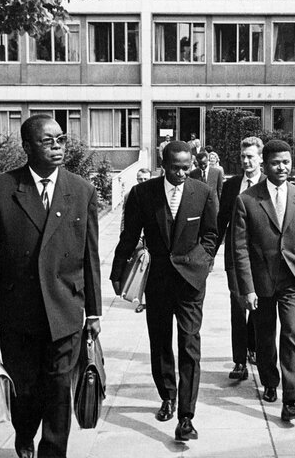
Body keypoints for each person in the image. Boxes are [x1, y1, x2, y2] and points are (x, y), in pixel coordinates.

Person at [0, 115, 102, 458]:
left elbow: (90, 256)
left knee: (59, 388)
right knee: (26, 392)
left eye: (61, 140)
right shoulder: (1, 190)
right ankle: (24, 432)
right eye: (48, 142)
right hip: (20, 314)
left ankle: (53, 452)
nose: (58, 147)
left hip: (65, 312)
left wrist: (94, 313)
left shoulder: (81, 190)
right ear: (27, 148)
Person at [110, 141, 218, 442]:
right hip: (156, 281)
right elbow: (129, 235)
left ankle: (186, 416)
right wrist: (118, 272)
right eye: (175, 168)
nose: (182, 173)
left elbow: (211, 233)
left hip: (190, 283)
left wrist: (203, 261)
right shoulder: (142, 194)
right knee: (159, 343)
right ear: (163, 163)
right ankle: (167, 395)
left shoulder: (203, 192)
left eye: (186, 167)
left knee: (190, 345)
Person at [231, 139, 295, 422]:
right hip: (262, 282)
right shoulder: (247, 200)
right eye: (276, 163)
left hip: (294, 281)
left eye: (287, 162)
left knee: (292, 333)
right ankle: (269, 380)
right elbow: (239, 248)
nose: (282, 167)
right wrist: (248, 289)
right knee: (265, 336)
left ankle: (291, 399)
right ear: (265, 166)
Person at [216, 136, 265, 380]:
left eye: (251, 157)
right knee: (238, 307)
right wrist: (208, 255)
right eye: (243, 157)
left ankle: (253, 346)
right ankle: (239, 362)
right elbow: (221, 221)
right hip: (235, 258)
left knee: (258, 308)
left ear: (261, 159)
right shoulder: (232, 185)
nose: (246, 161)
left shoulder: (269, 184)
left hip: (262, 260)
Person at [121, 167, 152, 313]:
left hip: (151, 238)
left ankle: (149, 300)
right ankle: (140, 298)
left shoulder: (154, 193)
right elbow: (125, 217)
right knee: (140, 267)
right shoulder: (130, 194)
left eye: (146, 179)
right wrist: (123, 235)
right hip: (137, 239)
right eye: (140, 179)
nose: (142, 182)